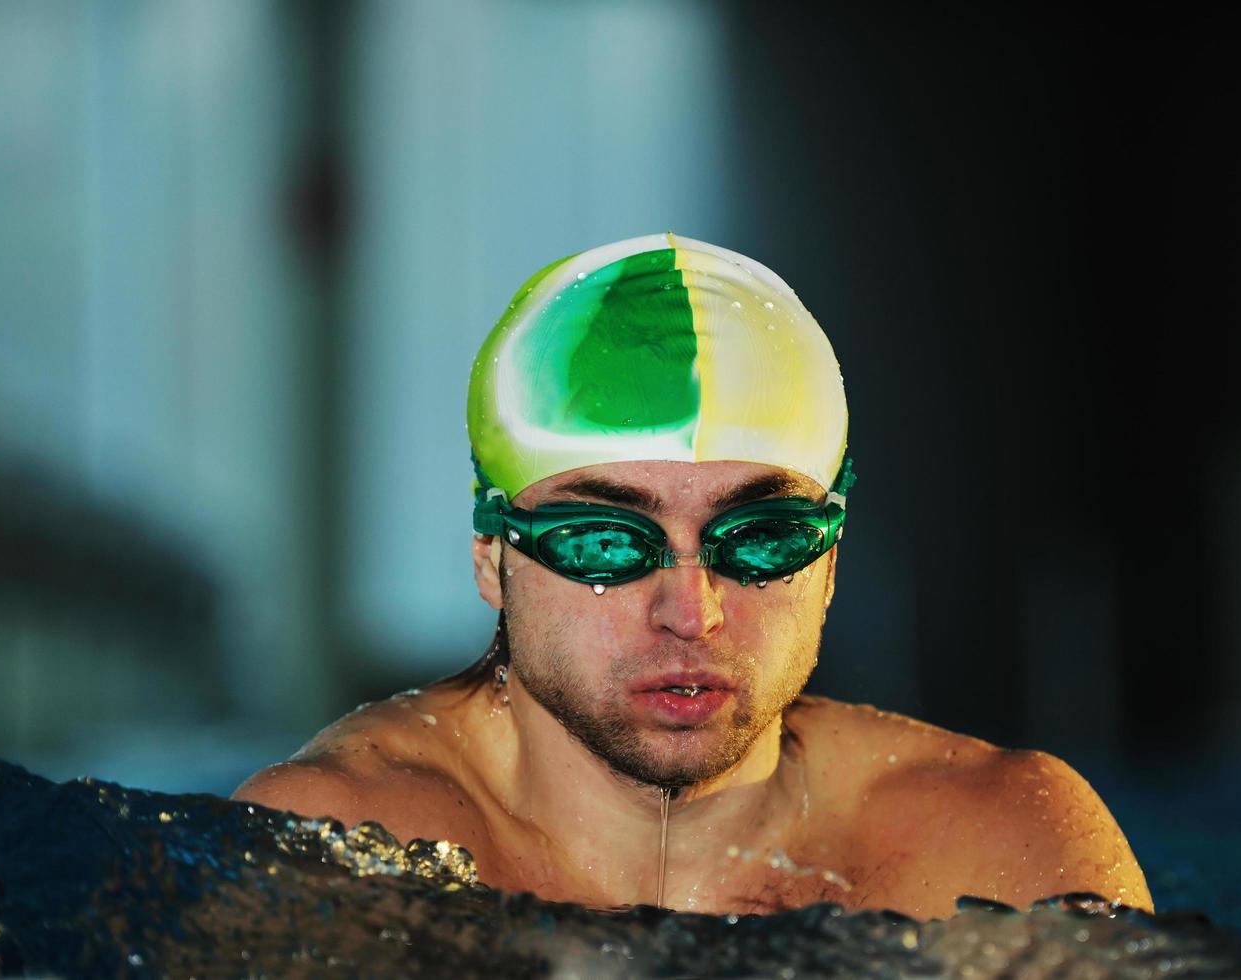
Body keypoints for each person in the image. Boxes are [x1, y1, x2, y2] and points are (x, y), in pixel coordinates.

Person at [233, 234, 1152, 919]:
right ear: (492, 560)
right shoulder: (336, 851)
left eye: (760, 538)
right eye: (605, 542)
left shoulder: (998, 849)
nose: (691, 611)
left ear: (828, 563)